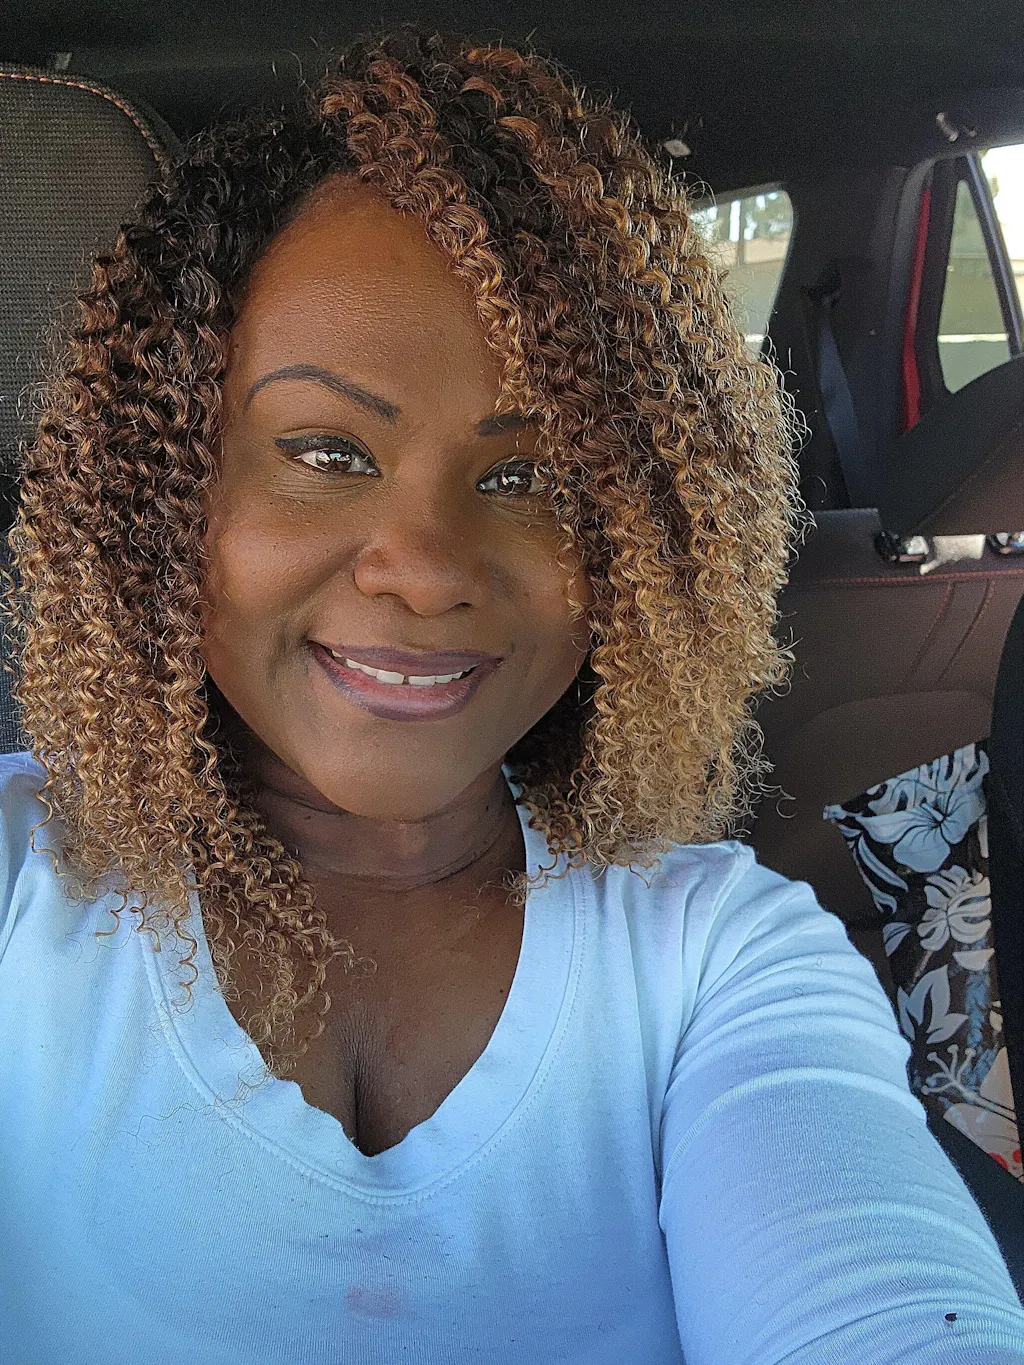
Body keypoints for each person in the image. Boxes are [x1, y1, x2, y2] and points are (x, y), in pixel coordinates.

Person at [2, 24, 1023, 1365]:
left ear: (645, 545)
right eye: (324, 452)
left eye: (529, 477)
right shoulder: (23, 879)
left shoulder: (720, 955)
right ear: (164, 498)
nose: (427, 570)